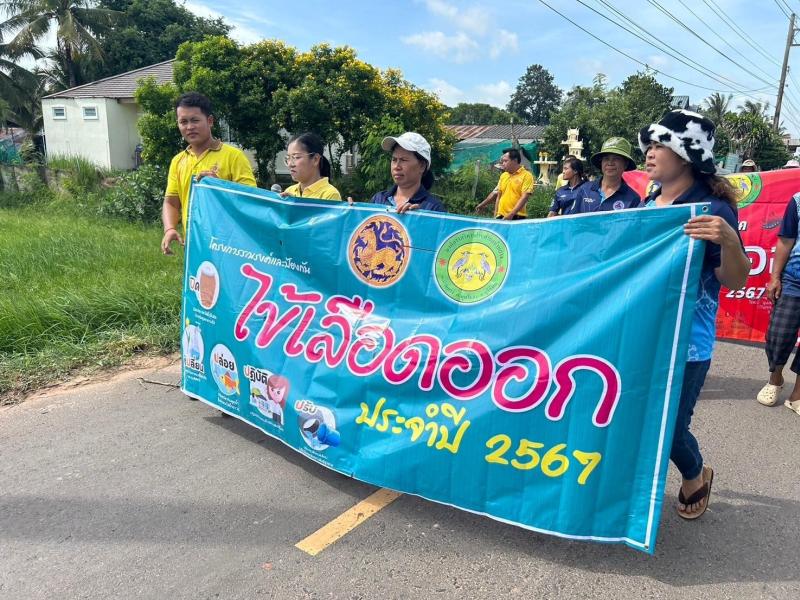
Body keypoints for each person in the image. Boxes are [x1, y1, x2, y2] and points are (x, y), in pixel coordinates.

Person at [639, 109, 750, 519]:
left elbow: (734, 279)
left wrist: (730, 241)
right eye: (649, 146)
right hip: (642, 332)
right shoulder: (648, 203)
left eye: (660, 146)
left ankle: (694, 473)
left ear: (686, 155)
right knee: (635, 413)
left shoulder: (714, 209)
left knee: (669, 428)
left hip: (687, 342)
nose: (650, 153)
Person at [160, 92, 256, 255]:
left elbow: (251, 200)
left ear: (210, 121)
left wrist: (218, 187)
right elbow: (171, 202)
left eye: (195, 120)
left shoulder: (234, 156)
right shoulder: (178, 161)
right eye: (183, 122)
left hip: (230, 246)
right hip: (194, 245)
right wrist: (170, 228)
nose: (189, 127)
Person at [756, 191, 800, 416]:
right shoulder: (798, 201)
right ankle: (775, 379)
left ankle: (797, 396)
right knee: (779, 335)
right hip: (794, 278)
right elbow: (786, 240)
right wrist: (775, 277)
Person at [365, 132, 445, 212]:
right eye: (394, 159)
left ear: (422, 166)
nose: (396, 166)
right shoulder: (378, 199)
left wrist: (418, 216)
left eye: (403, 160)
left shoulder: (433, 208)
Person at [568, 137, 640, 214]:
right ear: (601, 162)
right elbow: (572, 219)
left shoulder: (633, 199)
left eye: (616, 159)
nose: (610, 163)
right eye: (606, 158)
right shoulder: (585, 189)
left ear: (625, 164)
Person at [475, 148, 534, 220]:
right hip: (501, 216)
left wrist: (511, 214)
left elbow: (524, 197)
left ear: (515, 161)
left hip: (516, 217)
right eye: (502, 161)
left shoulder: (526, 176)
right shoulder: (504, 176)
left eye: (505, 161)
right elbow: (498, 196)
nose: (503, 164)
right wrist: (495, 216)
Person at [282, 132, 342, 200]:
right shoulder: (289, 191)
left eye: (296, 157)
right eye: (288, 158)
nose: (290, 164)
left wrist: (296, 204)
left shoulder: (330, 194)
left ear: (315, 159)